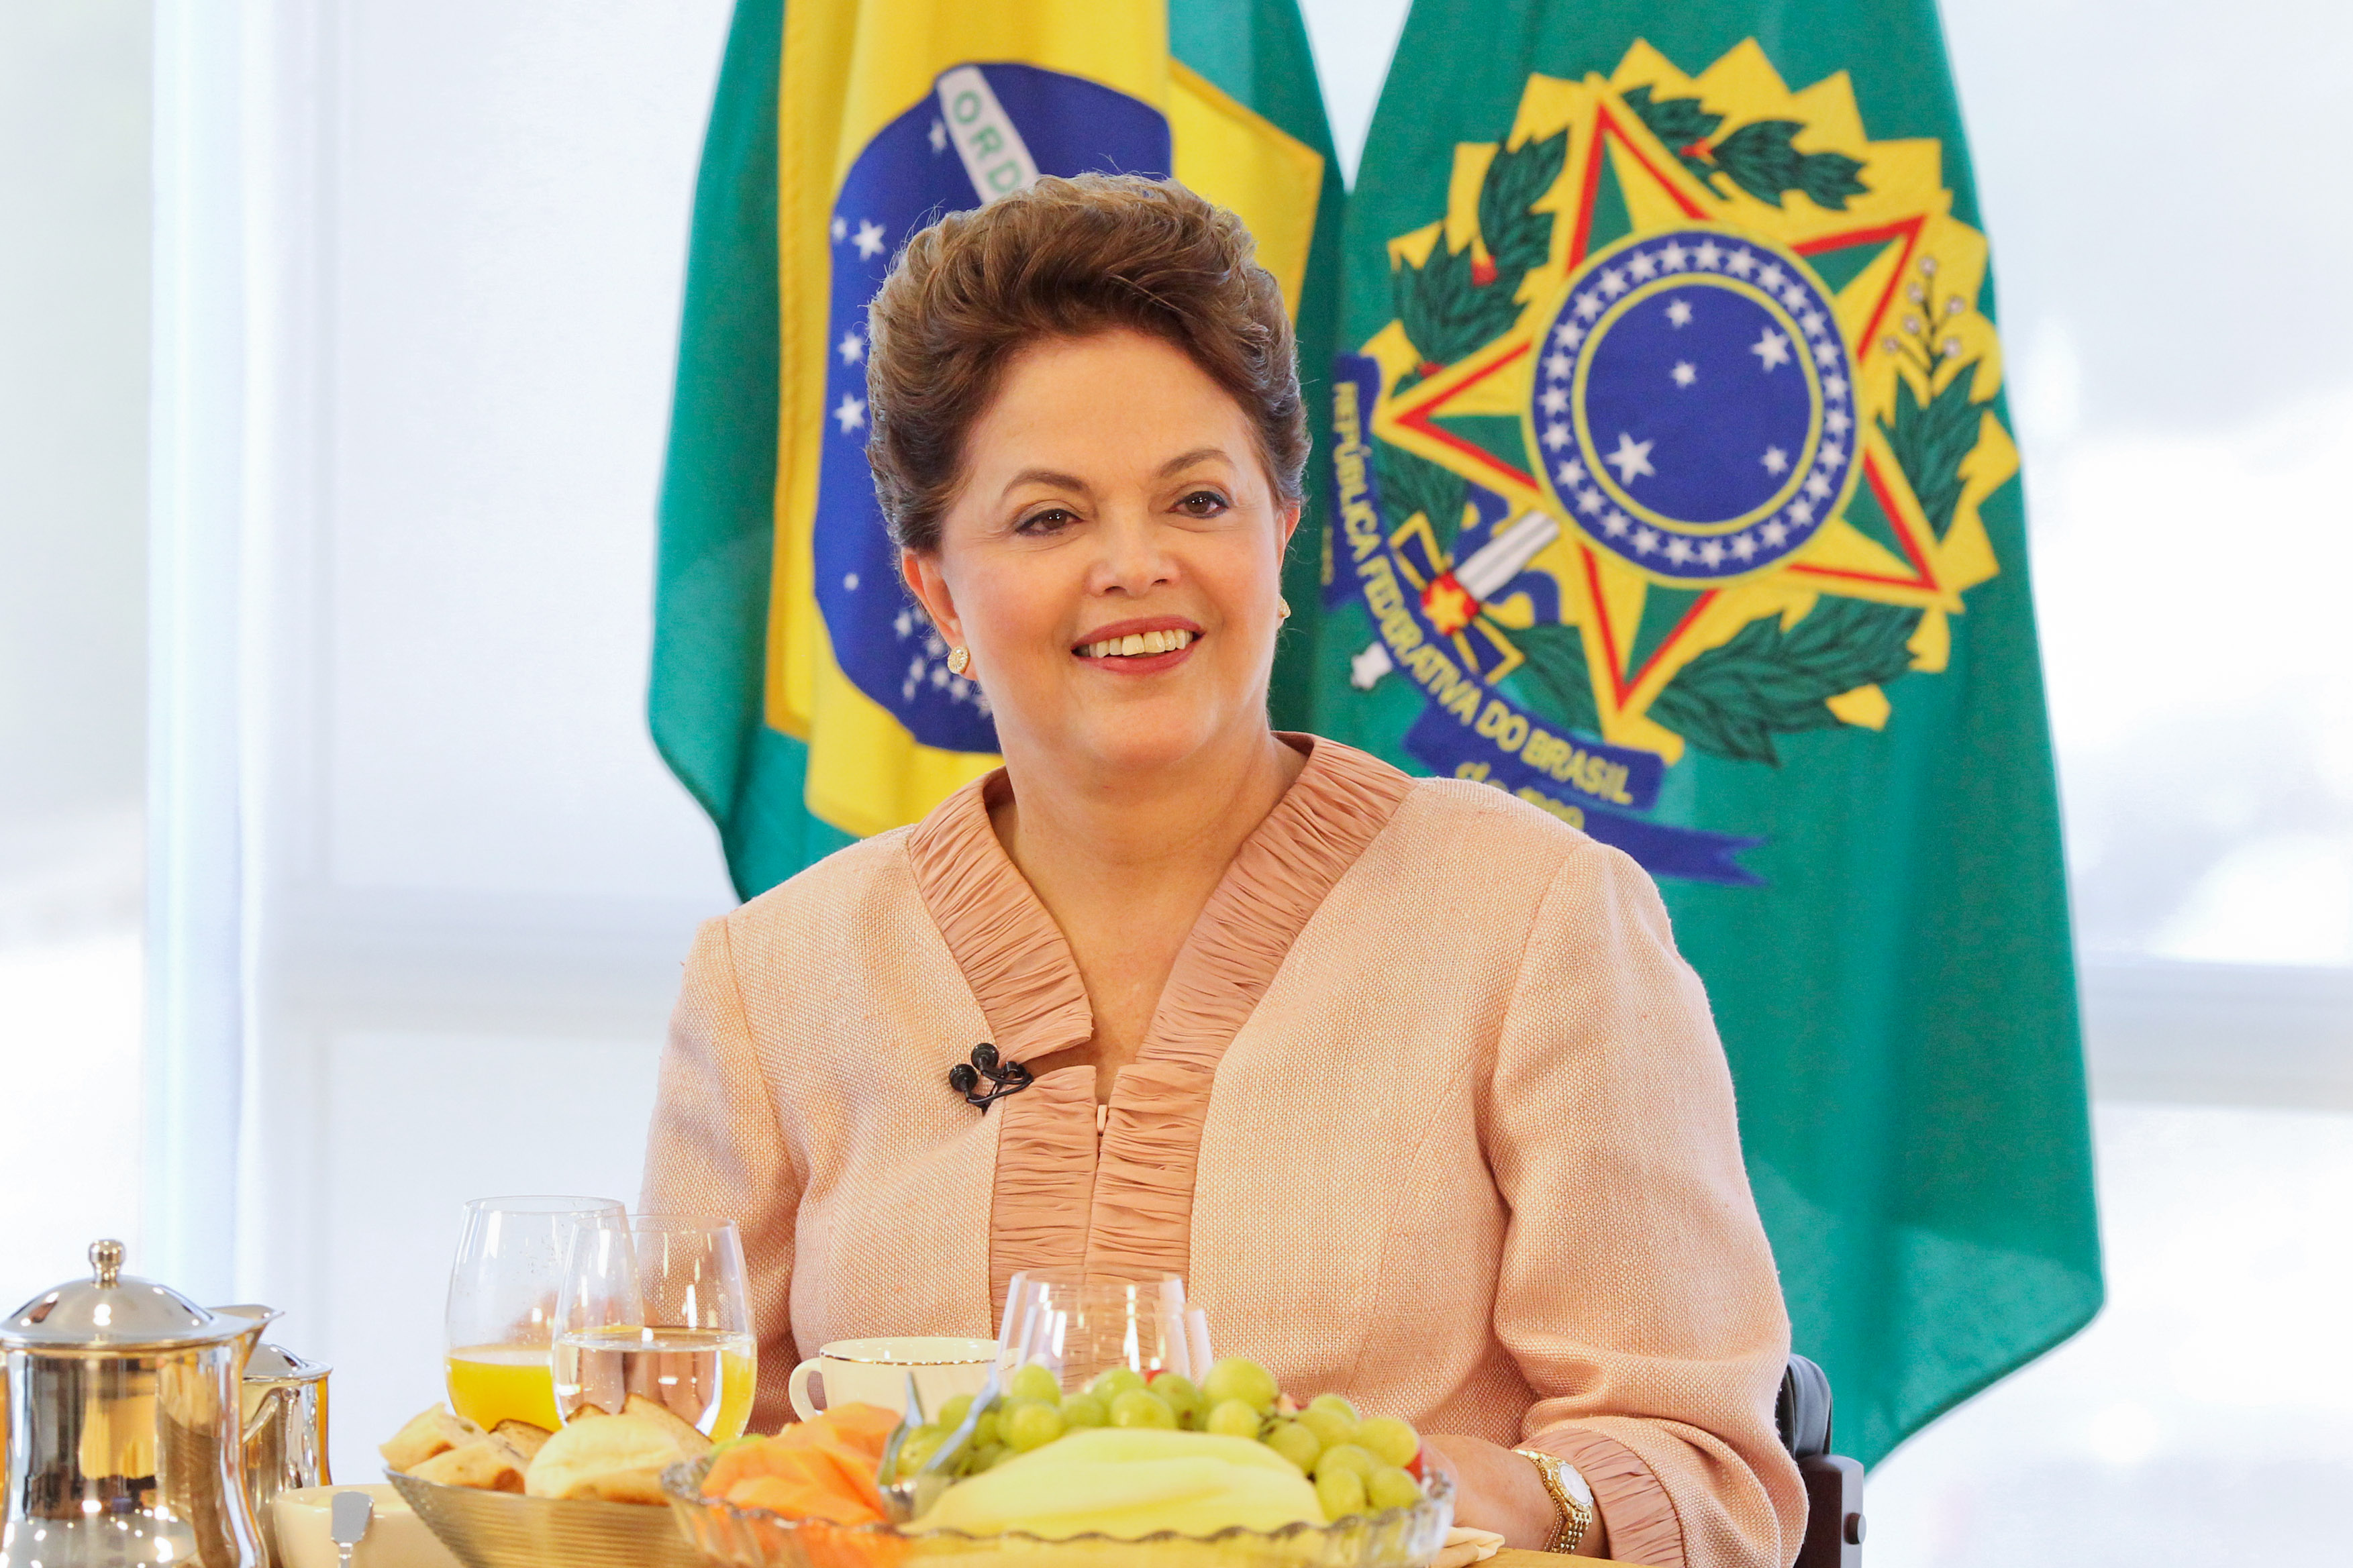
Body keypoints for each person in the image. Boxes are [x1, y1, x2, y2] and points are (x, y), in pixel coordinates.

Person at [642, 172, 1805, 1565]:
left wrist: (1439, 1491)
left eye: (1196, 498)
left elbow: (1709, 1480)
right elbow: (679, 1477)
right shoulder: (772, 980)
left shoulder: (1538, 918)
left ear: (1279, 529)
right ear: (938, 590)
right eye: (1048, 518)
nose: (1135, 566)